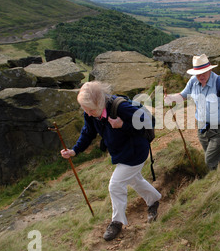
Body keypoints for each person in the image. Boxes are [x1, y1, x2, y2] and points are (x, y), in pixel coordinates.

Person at [60, 81, 161, 241]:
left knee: (115, 185)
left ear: (100, 102)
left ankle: (117, 221)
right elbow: (88, 133)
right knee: (134, 180)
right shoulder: (91, 112)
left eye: (90, 109)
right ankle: (154, 200)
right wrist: (74, 150)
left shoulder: (121, 108)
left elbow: (149, 122)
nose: (87, 112)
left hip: (135, 152)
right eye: (84, 109)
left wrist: (123, 125)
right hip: (121, 153)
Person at [164, 54, 220, 170]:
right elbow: (183, 96)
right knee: (212, 159)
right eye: (198, 73)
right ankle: (218, 177)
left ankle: (211, 183)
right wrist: (171, 98)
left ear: (210, 69)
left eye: (204, 72)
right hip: (202, 129)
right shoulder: (193, 81)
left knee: (209, 161)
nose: (201, 76)